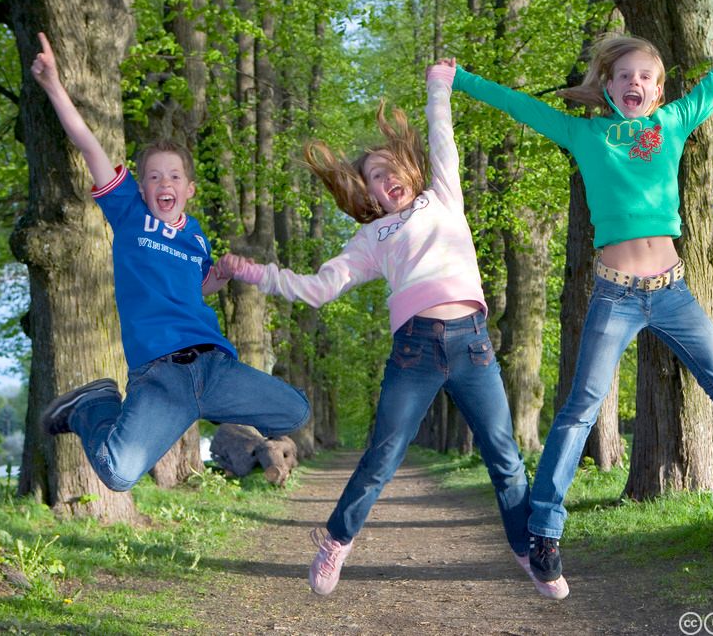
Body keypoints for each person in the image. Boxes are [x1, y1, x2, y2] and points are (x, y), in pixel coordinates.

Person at [450, 0, 713, 597]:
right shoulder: (584, 135)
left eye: (647, 76)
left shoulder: (673, 123)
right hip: (614, 296)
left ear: (660, 89)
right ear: (608, 86)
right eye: (624, 75)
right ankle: (544, 529)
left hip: (672, 293)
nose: (635, 82)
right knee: (579, 410)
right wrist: (459, 78)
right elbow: (516, 105)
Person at [221, 59, 565, 599]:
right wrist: (253, 272)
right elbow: (318, 287)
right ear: (370, 196)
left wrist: (438, 85)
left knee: (504, 454)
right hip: (415, 352)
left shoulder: (444, 194)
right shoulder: (373, 238)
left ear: (411, 170)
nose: (385, 180)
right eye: (374, 178)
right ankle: (337, 539)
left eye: (390, 169)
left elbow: (441, 132)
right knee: (383, 454)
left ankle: (527, 553)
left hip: (473, 344)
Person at [30, 32, 310, 493]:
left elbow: (197, 289)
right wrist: (55, 86)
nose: (165, 182)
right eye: (154, 176)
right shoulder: (129, 214)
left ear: (188, 189)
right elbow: (88, 145)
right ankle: (93, 405)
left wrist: (218, 275)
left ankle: (210, 409)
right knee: (118, 474)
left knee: (295, 411)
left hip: (214, 366)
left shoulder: (196, 234)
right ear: (141, 189)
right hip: (159, 375)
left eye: (174, 176)